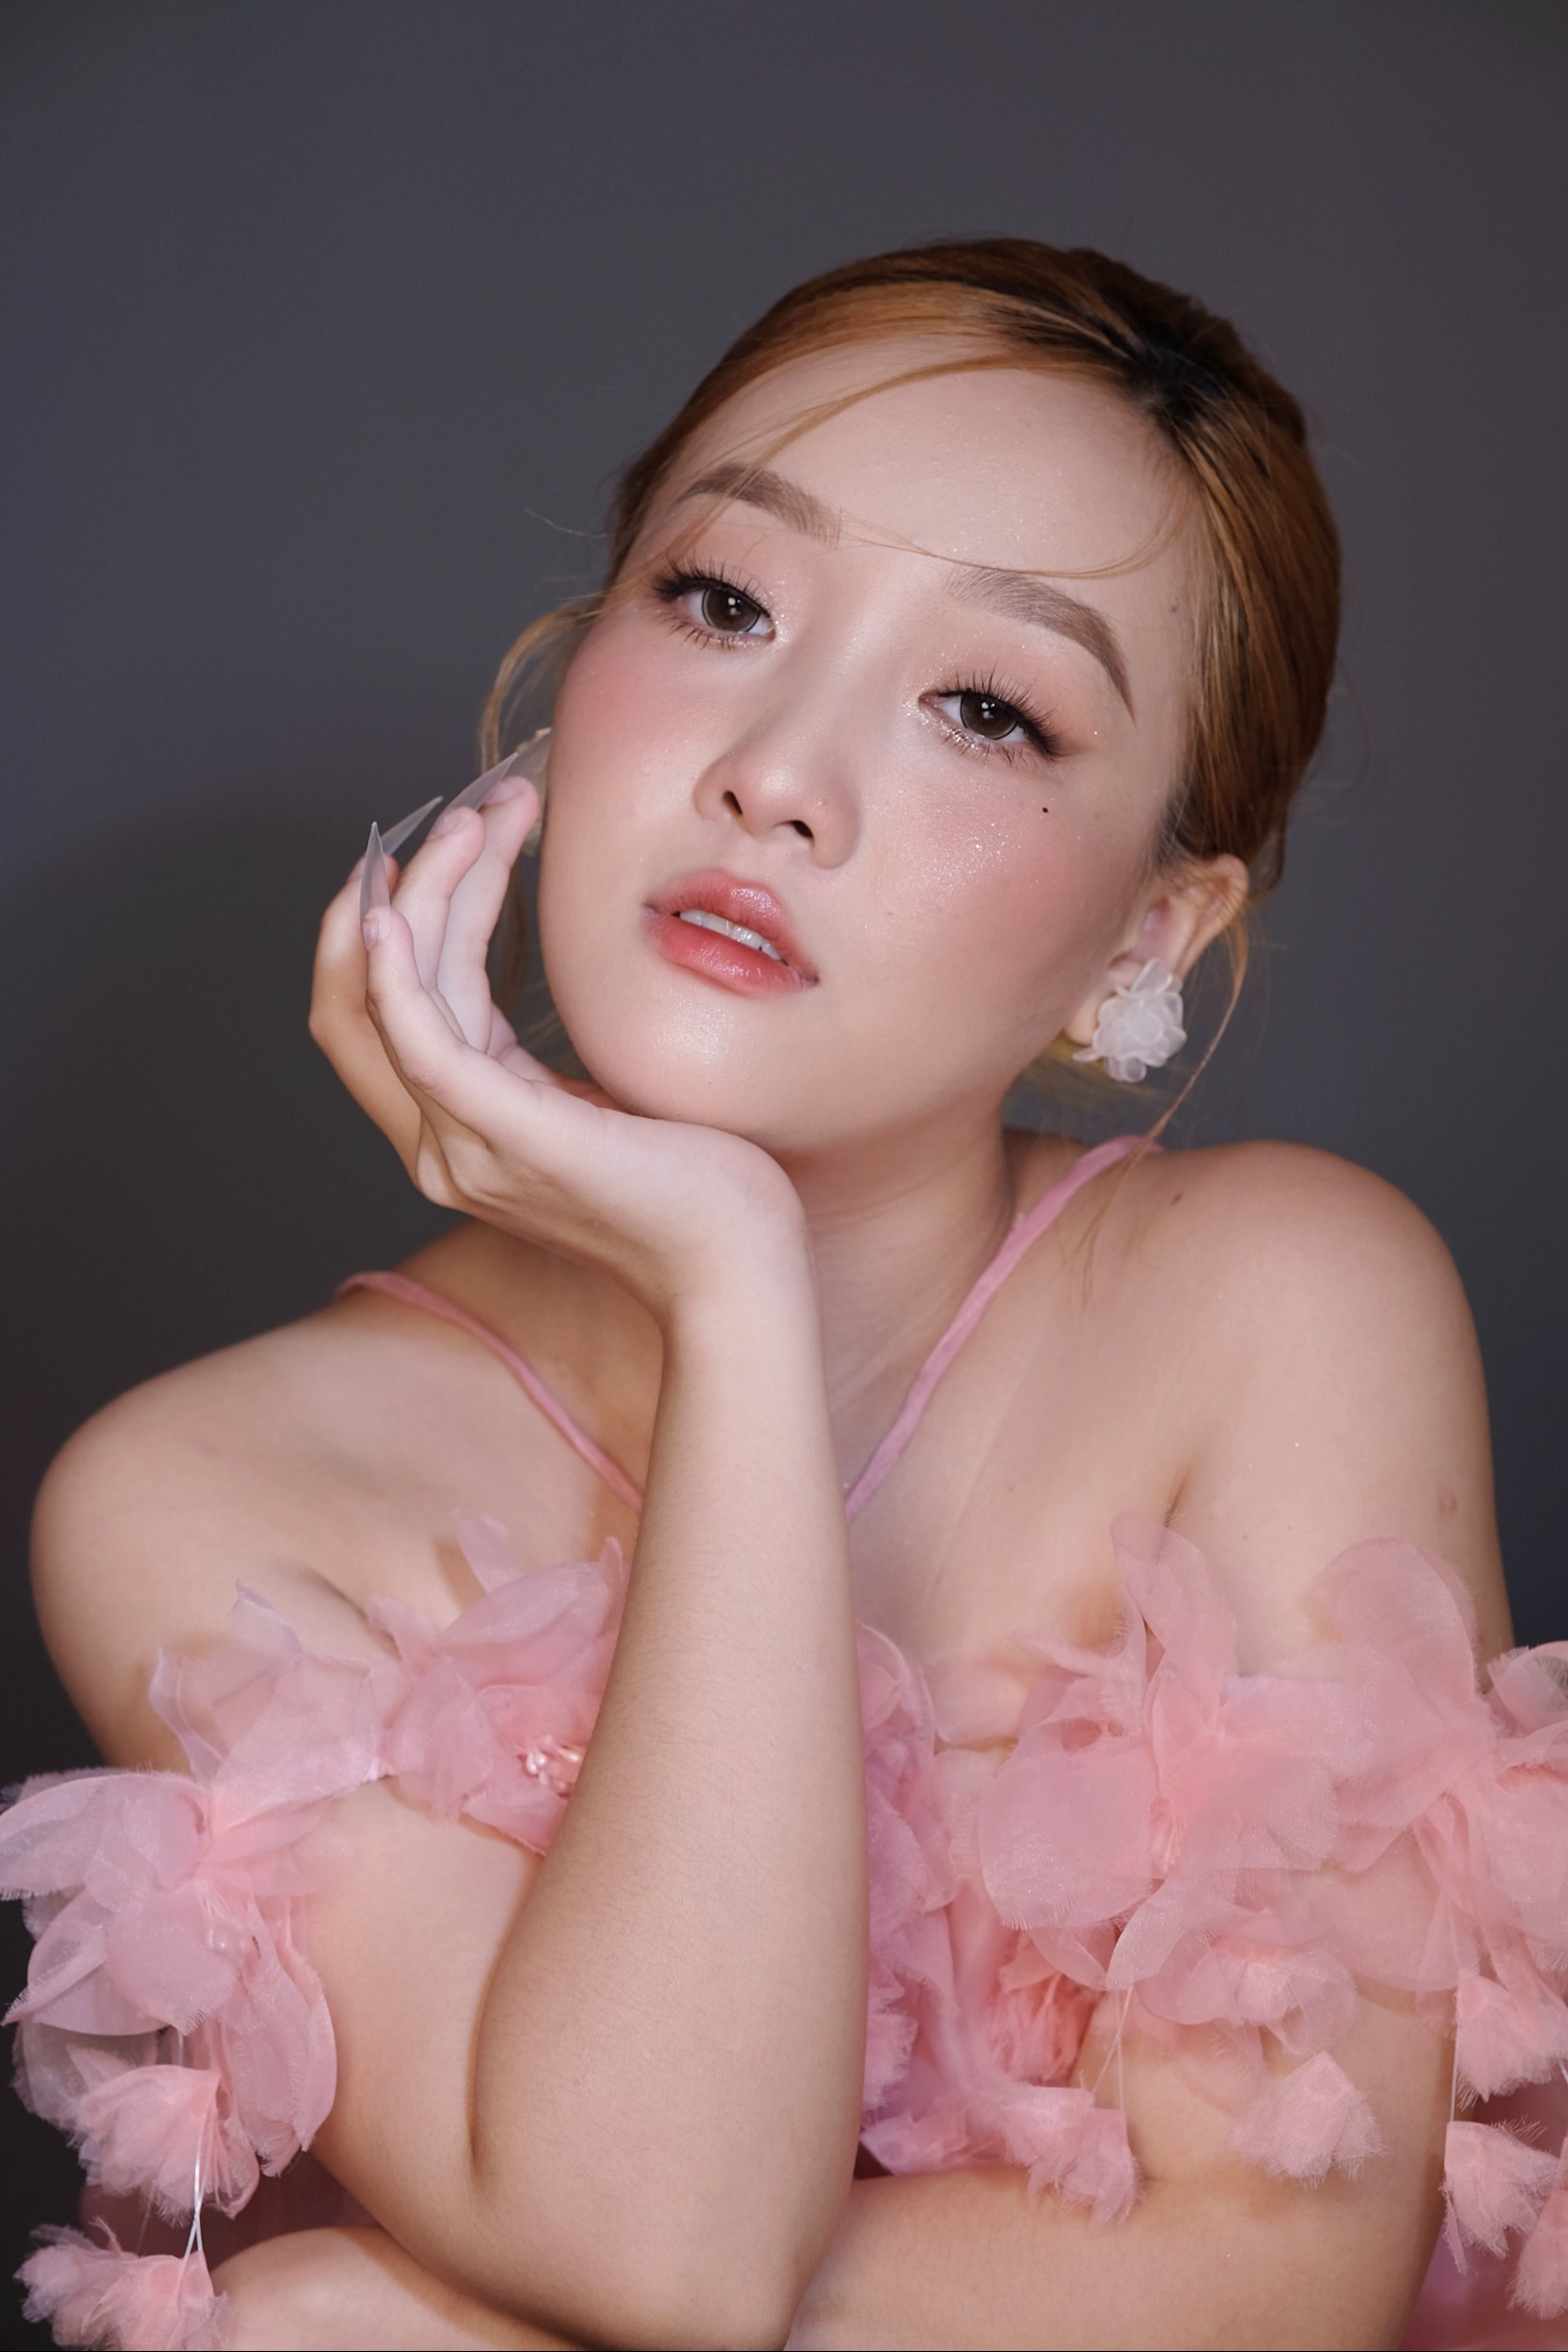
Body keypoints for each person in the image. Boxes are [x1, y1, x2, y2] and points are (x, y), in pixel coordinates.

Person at [4, 239, 1564, 2352]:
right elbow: (662, 2248)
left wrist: (412, 2323)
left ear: (1150, 931)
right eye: (724, 601)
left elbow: (1276, 2281)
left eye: (988, 710)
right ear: (576, 661)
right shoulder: (200, 1491)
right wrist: (732, 1291)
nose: (780, 772)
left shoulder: (1287, 1306)